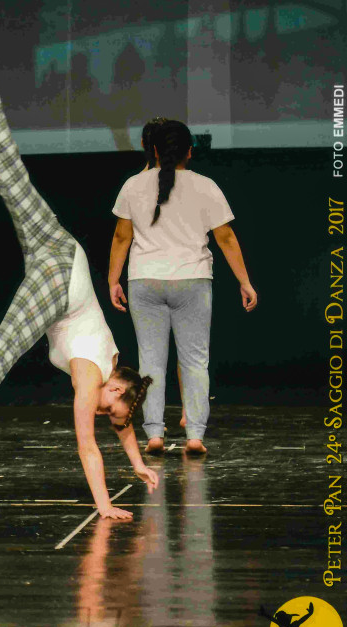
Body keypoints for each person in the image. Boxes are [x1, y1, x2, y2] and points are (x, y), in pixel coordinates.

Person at [0, 33, 159, 519]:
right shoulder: (92, 374)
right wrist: (105, 507)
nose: (104, 414)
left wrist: (137, 463)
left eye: (109, 414)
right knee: (3, 350)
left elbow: (123, 425)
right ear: (113, 389)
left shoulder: (116, 373)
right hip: (59, 277)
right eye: (108, 408)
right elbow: (88, 446)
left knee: (10, 176)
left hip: (59, 246)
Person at [108, 120, 257, 455]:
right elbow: (225, 238)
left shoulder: (133, 185)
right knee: (194, 361)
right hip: (193, 280)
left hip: (144, 280)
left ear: (155, 150)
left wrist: (113, 279)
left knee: (151, 362)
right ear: (189, 151)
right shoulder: (205, 186)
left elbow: (121, 236)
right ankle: (194, 436)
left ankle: (155, 435)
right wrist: (244, 281)